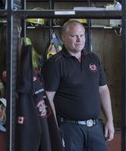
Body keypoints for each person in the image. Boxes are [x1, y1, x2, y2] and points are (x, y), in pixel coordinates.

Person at [41, 19, 114, 151]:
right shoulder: (55, 63)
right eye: (74, 36)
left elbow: (103, 90)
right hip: (69, 129)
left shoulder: (93, 58)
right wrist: (55, 131)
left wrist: (110, 120)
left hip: (95, 128)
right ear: (63, 37)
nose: (79, 40)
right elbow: (48, 98)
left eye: (82, 35)